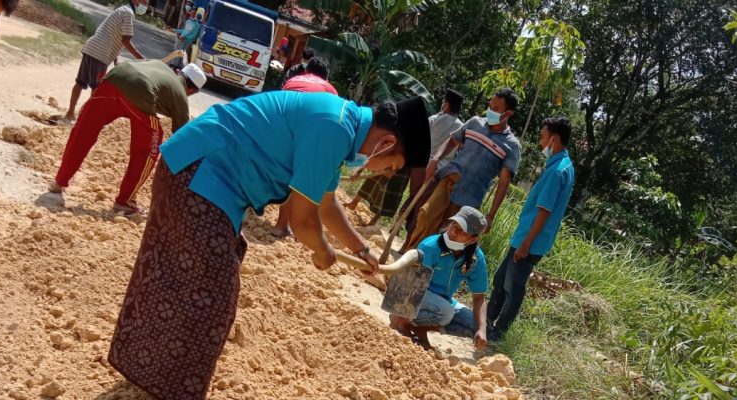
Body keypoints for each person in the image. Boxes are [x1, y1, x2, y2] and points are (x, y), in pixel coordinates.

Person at [106, 93, 431, 400]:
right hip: (199, 174)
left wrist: (362, 251)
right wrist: (322, 251)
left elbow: (327, 205)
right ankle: (167, 385)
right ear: (386, 143)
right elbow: (303, 221)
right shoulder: (333, 128)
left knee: (194, 278)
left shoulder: (341, 126)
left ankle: (153, 373)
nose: (384, 174)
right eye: (391, 167)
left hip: (204, 177)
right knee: (212, 296)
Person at [50, 61, 206, 215]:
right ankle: (125, 202)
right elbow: (182, 139)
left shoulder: (161, 65)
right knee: (147, 150)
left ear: (180, 72)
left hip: (114, 78)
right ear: (192, 91)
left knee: (83, 131)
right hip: (142, 92)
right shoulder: (181, 96)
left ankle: (59, 182)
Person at [486, 116, 575, 339]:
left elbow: (544, 211)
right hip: (525, 238)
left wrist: (526, 244)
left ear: (554, 138)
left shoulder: (557, 171)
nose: (540, 142)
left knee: (512, 288)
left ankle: (499, 331)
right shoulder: (561, 165)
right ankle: (486, 321)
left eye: (542, 137)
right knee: (500, 280)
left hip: (530, 241)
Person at [404, 88, 521, 251]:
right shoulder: (474, 123)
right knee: (426, 216)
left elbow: (504, 182)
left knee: (451, 235)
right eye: (489, 106)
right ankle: (410, 255)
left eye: (496, 109)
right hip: (447, 180)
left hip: (470, 198)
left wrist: (491, 216)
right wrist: (436, 159)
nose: (490, 111)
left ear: (508, 114)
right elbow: (452, 141)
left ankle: (429, 268)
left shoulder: (512, 146)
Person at [391, 206, 489, 351]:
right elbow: (408, 286)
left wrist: (482, 330)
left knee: (474, 324)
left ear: (473, 239)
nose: (453, 231)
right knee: (446, 313)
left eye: (462, 230)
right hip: (415, 294)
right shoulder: (430, 247)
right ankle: (404, 322)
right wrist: (395, 324)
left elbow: (479, 297)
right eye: (453, 224)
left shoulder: (475, 259)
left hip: (443, 301)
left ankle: (418, 328)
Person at [271, 56, 338, 238]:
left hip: (274, 126)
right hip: (302, 131)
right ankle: (281, 226)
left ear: (307, 71)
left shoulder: (293, 79)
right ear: (326, 77)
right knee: (294, 179)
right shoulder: (330, 91)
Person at [61, 0, 148, 124]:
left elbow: (112, 33)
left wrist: (115, 57)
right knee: (97, 89)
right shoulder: (128, 13)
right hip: (101, 53)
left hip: (92, 47)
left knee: (80, 82)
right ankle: (87, 120)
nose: (146, 5)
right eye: (144, 1)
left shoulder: (122, 9)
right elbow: (126, 40)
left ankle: (70, 114)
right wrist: (141, 58)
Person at [400, 89, 464, 250]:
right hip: (439, 173)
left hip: (422, 166)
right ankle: (409, 240)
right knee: (421, 206)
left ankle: (407, 240)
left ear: (447, 105)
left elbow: (419, 138)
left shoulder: (434, 119)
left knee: (415, 200)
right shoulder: (461, 127)